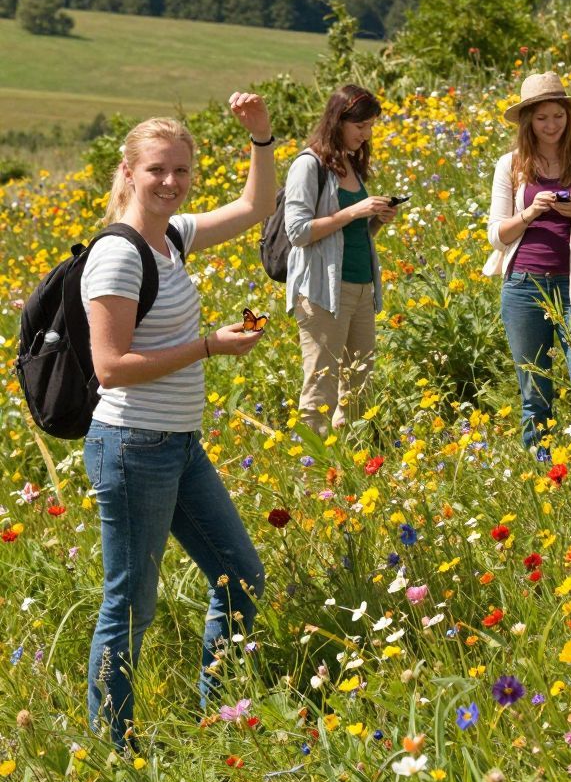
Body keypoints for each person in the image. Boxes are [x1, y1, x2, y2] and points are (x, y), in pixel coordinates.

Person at [81, 95, 278, 748]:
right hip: (133, 447)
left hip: (178, 445)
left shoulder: (173, 237)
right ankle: (118, 749)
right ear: (129, 172)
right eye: (157, 170)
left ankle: (219, 714)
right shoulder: (117, 255)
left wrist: (261, 139)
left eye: (181, 171)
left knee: (239, 573)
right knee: (131, 605)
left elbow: (254, 210)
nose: (170, 182)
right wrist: (207, 347)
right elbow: (110, 367)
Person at [485, 72, 571, 451]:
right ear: (528, 121)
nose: (551, 125)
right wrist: (530, 213)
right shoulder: (509, 165)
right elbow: (496, 235)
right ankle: (542, 472)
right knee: (535, 394)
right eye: (542, 118)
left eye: (558, 115)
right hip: (523, 286)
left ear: (568, 116)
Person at [284, 85, 401, 434]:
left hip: (363, 287)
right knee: (321, 389)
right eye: (360, 126)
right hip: (322, 293)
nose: (365, 136)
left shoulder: (351, 162)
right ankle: (312, 475)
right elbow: (298, 232)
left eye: (370, 128)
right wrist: (354, 211)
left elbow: (350, 236)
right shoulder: (308, 165)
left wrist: (376, 219)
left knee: (359, 387)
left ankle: (348, 469)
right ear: (338, 120)